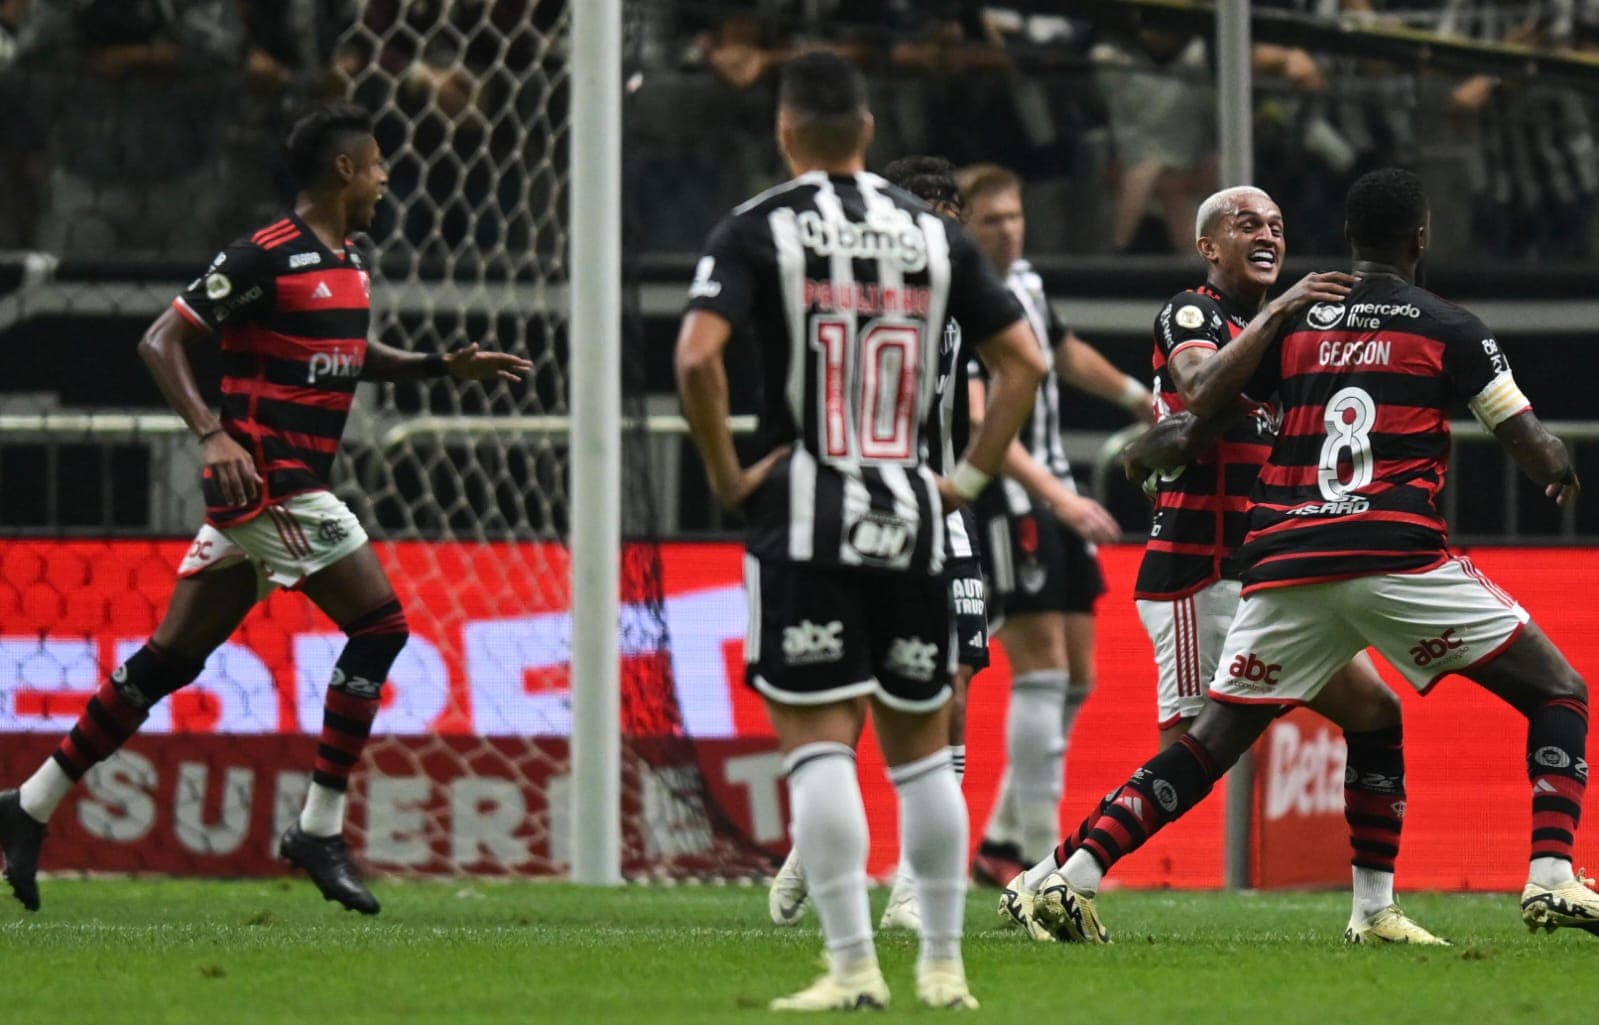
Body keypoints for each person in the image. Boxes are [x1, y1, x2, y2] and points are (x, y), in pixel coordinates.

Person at [1031, 167, 1596, 943]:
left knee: (1222, 741)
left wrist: (1152, 443)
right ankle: (1552, 874)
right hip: (1389, 553)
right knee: (1558, 690)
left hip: (1284, 559)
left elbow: (1202, 412)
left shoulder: (1292, 326)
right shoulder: (1450, 326)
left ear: (1345, 240)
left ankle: (1073, 874)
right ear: (1421, 238)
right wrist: (1559, 464)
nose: (1265, 237)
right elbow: (1528, 444)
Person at [0, 103, 531, 916]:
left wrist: (434, 367)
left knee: (168, 660)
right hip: (274, 482)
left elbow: (350, 355)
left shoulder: (350, 258)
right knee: (382, 626)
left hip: (274, 493)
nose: (389, 178)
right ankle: (318, 826)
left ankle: (29, 802)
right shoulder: (263, 256)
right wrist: (213, 434)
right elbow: (159, 341)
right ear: (345, 169)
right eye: (379, 163)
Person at [676, 53, 1046, 1011]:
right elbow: (1024, 363)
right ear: (868, 130)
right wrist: (961, 482)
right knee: (927, 751)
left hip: (807, 509)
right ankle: (943, 969)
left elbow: (696, 359)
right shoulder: (935, 236)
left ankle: (849, 969)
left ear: (785, 131)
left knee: (820, 746)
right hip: (916, 509)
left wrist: (726, 476)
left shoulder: (757, 226)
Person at [1000, 185, 1441, 945]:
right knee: (1190, 756)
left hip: (1269, 576)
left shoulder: (1283, 338)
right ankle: (1046, 881)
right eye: (1245, 225)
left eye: (1274, 223)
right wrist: (1281, 314)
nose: (1265, 234)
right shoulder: (1195, 312)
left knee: (1374, 713)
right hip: (1196, 572)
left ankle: (1372, 910)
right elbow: (1198, 384)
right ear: (1208, 246)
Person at [765, 155, 994, 935]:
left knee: (951, 683)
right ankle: (818, 835)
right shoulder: (848, 291)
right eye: (923, 209)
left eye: (949, 211)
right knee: (860, 681)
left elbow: (1018, 370)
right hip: (850, 505)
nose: (938, 225)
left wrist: (969, 476)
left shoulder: (970, 296)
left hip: (938, 510)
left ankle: (910, 880)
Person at [954, 163, 1150, 889]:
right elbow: (980, 423)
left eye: (1014, 215)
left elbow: (1063, 352)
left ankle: (1004, 841)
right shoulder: (962, 300)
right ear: (964, 227)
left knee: (1076, 676)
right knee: (1039, 671)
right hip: (1008, 495)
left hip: (1051, 493)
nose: (1007, 229)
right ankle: (1044, 862)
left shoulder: (1026, 285)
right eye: (991, 220)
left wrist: (1136, 397)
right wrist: (1055, 498)